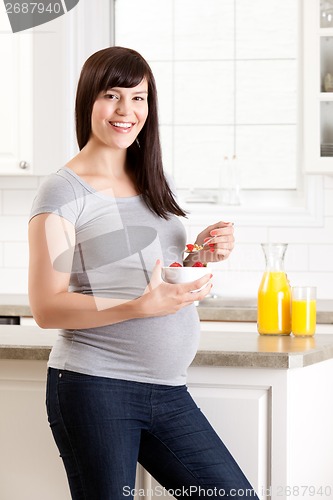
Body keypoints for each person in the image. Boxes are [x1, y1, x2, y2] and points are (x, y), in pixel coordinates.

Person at [28, 46, 258, 500]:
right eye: (112, 96)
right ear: (88, 101)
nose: (126, 110)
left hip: (168, 392)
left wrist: (198, 255)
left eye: (139, 98)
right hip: (95, 386)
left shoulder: (152, 177)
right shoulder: (63, 189)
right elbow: (47, 306)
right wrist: (138, 306)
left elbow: (152, 271)